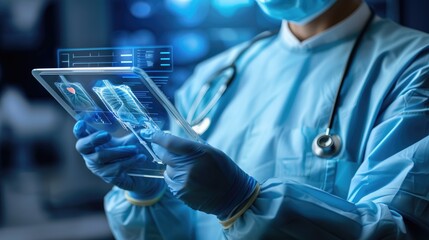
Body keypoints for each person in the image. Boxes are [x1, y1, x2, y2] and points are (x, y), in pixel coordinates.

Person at [73, 0, 429, 239]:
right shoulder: (216, 74)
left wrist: (242, 201)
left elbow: (401, 230)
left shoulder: (414, 66)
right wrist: (150, 195)